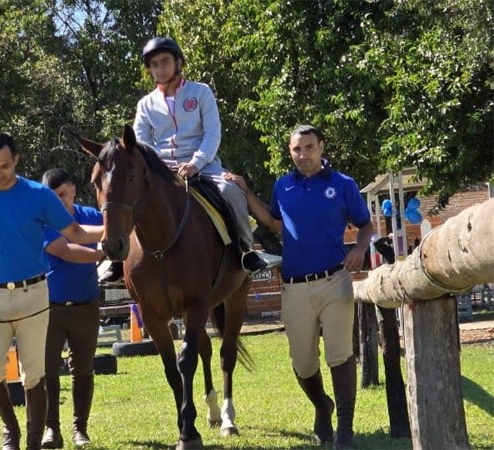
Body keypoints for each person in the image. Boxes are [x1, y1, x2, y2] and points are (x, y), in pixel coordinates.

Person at [0, 132, 104, 450]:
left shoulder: (38, 195)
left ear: (16, 159)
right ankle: (10, 430)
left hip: (35, 294)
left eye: (4, 165)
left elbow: (73, 232)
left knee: (35, 375)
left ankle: (31, 442)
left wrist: (110, 230)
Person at [224, 124, 372, 449]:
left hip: (335, 281)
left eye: (308, 147)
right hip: (294, 287)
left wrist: (360, 249)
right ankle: (322, 406)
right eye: (296, 150)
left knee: (340, 354)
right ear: (290, 152)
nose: (302, 155)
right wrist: (247, 192)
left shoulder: (343, 184)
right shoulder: (283, 186)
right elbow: (276, 222)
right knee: (303, 363)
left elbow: (365, 225)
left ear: (321, 147)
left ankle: (344, 430)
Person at [133, 36, 267, 275]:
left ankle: (246, 250)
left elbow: (212, 133)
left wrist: (196, 163)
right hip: (162, 169)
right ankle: (117, 259)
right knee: (126, 195)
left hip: (203, 166)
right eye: (154, 64)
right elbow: (141, 142)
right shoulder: (145, 104)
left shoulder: (201, 92)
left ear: (178, 62)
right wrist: (160, 167)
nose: (160, 68)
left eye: (165, 61)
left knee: (231, 192)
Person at [39, 168, 104, 448]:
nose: (59, 203)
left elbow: (118, 234)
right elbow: (64, 250)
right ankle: (51, 429)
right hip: (48, 308)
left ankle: (80, 429)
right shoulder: (43, 219)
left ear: (74, 189)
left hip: (86, 305)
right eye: (53, 198)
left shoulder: (92, 215)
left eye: (63, 195)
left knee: (83, 370)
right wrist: (105, 252)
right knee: (47, 371)